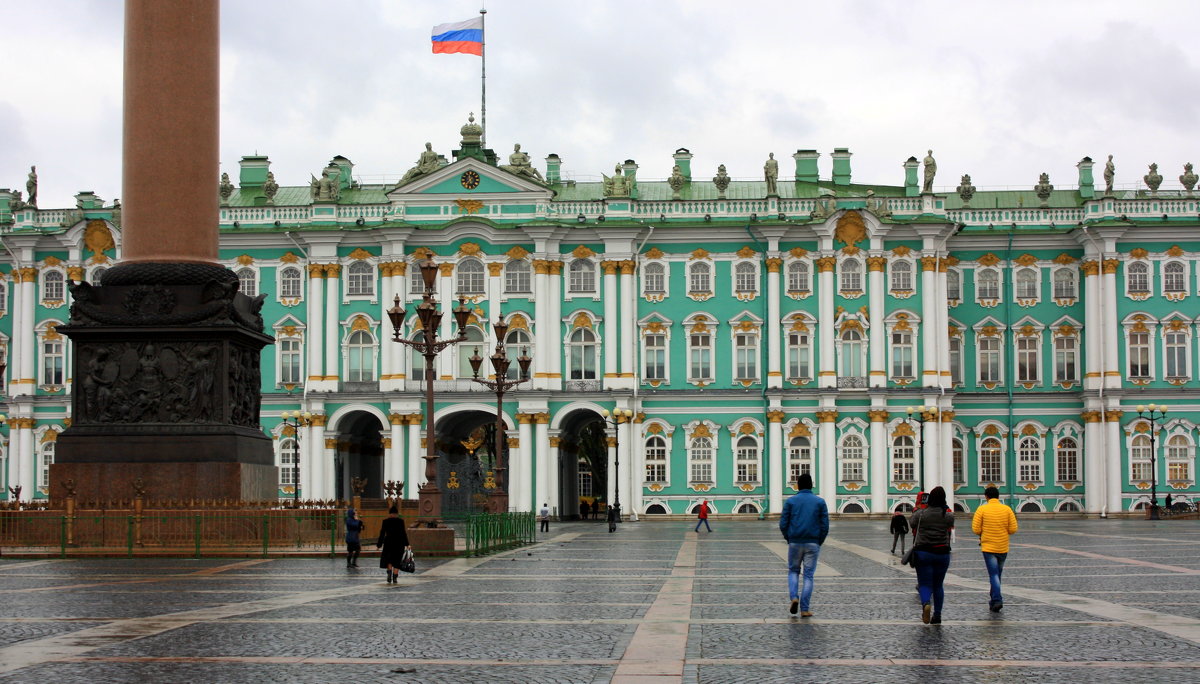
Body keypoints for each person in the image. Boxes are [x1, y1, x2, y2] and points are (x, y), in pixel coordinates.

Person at [779, 473, 828, 617]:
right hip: (813, 542)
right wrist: (819, 540)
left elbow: (783, 524)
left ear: (798, 486)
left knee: (793, 571)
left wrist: (789, 537)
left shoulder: (791, 502)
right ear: (811, 485)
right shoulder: (820, 502)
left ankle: (794, 597)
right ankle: (805, 609)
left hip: (795, 542)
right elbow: (825, 525)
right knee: (808, 576)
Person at [910, 486, 955, 624]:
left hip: (923, 552)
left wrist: (919, 507)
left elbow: (912, 524)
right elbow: (950, 525)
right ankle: (938, 615)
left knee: (924, 583)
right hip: (942, 553)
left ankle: (926, 604)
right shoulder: (948, 515)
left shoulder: (921, 514)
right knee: (938, 585)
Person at [971, 485, 1017, 612]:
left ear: (986, 497)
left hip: (988, 547)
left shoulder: (982, 509)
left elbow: (976, 529)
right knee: (997, 574)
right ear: (998, 496)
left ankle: (997, 599)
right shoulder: (1007, 509)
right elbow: (1013, 529)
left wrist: (984, 531)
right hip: (1003, 547)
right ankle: (994, 599)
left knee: (993, 574)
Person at [376, 505, 411, 584]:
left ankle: (389, 573)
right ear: (397, 513)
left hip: (389, 543)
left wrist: (379, 545)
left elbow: (382, 533)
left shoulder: (385, 521)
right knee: (397, 560)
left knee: (389, 559)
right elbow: (403, 533)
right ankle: (395, 578)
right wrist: (407, 544)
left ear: (390, 513)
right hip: (399, 543)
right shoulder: (400, 521)